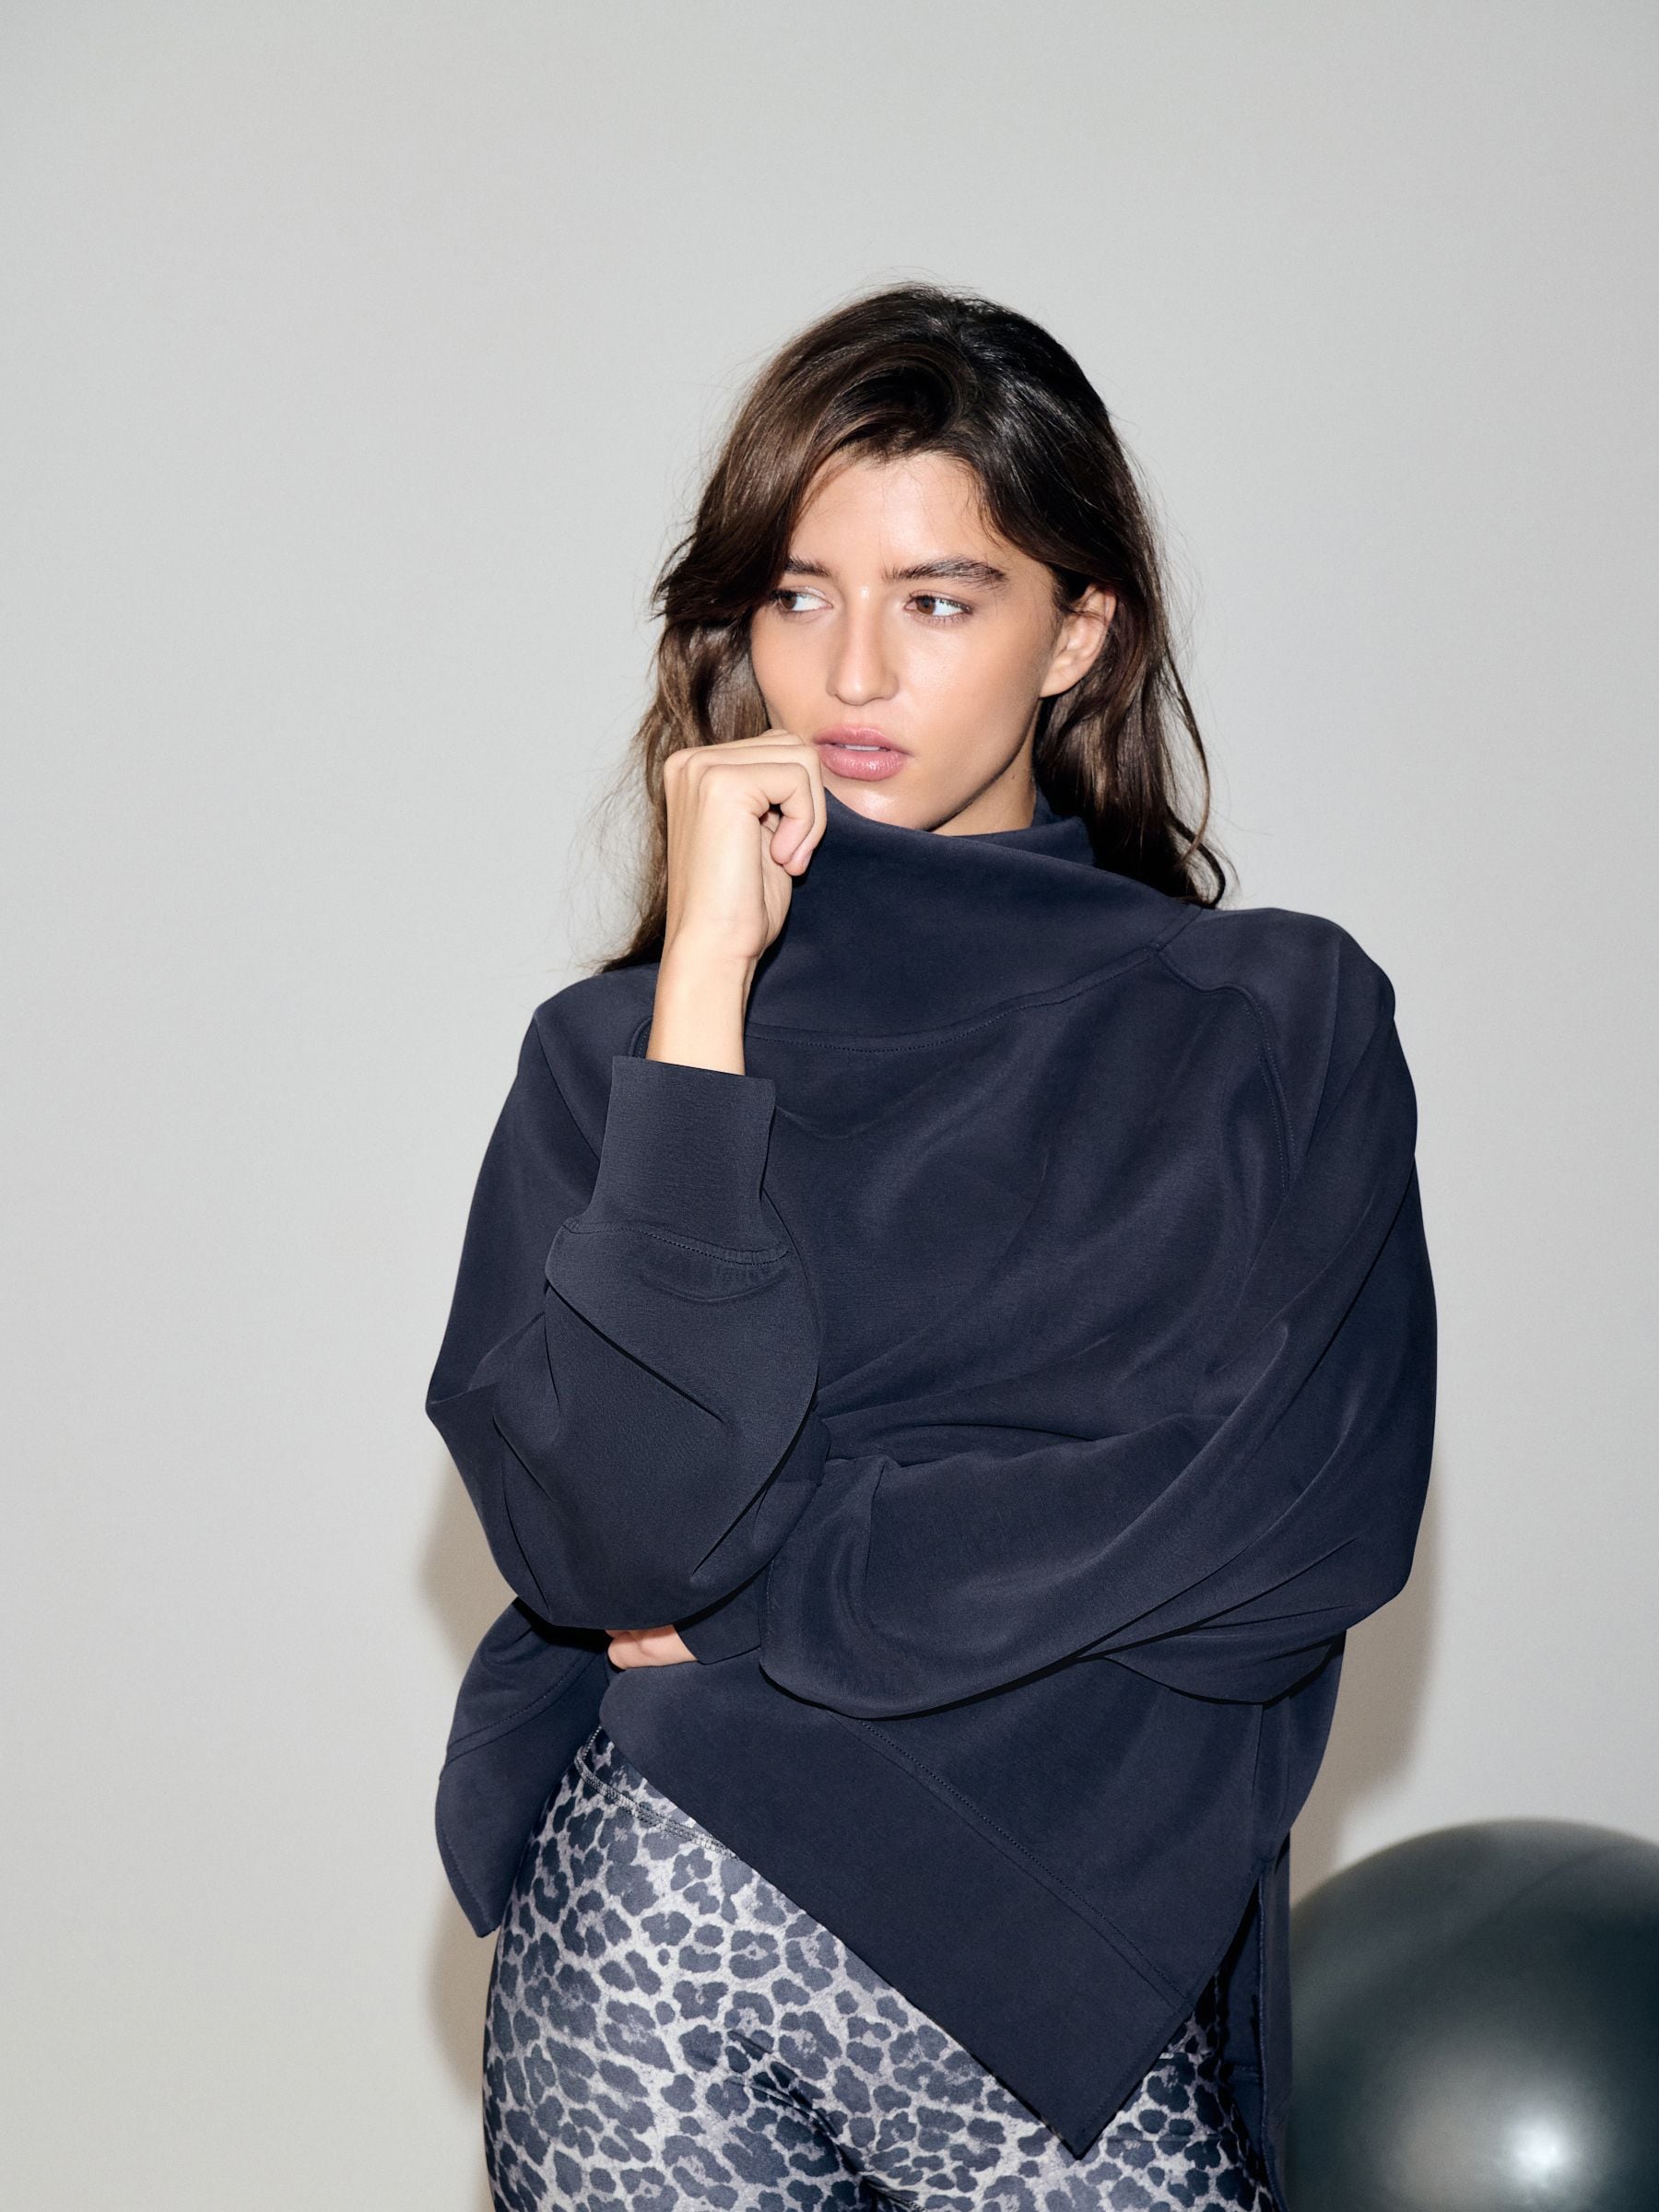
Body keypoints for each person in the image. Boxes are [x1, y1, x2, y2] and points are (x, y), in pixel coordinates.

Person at [425, 283, 1438, 2212]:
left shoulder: (1269, 1021)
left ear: (1081, 630)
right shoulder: (621, 1062)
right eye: (799, 596)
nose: (855, 671)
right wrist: (700, 995)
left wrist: (769, 1606)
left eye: (942, 600)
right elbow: (614, 1554)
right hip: (663, 1921)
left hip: (1069, 1983)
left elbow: (1291, 1536)